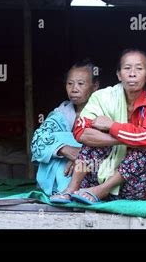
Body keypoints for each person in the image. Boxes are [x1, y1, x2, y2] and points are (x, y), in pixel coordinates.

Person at [52, 49, 146, 204]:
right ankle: (71, 189)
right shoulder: (104, 97)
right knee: (95, 135)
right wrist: (123, 138)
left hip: (131, 187)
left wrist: (112, 126)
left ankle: (101, 191)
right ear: (118, 74)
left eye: (139, 68)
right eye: (127, 68)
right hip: (94, 179)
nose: (132, 73)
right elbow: (80, 131)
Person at [31, 60, 99, 197]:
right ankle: (61, 190)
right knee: (56, 138)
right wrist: (65, 150)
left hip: (93, 170)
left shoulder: (103, 113)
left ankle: (74, 190)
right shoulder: (62, 113)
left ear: (95, 86)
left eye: (81, 84)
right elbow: (37, 142)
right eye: (70, 83)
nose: (74, 89)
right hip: (64, 171)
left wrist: (82, 155)